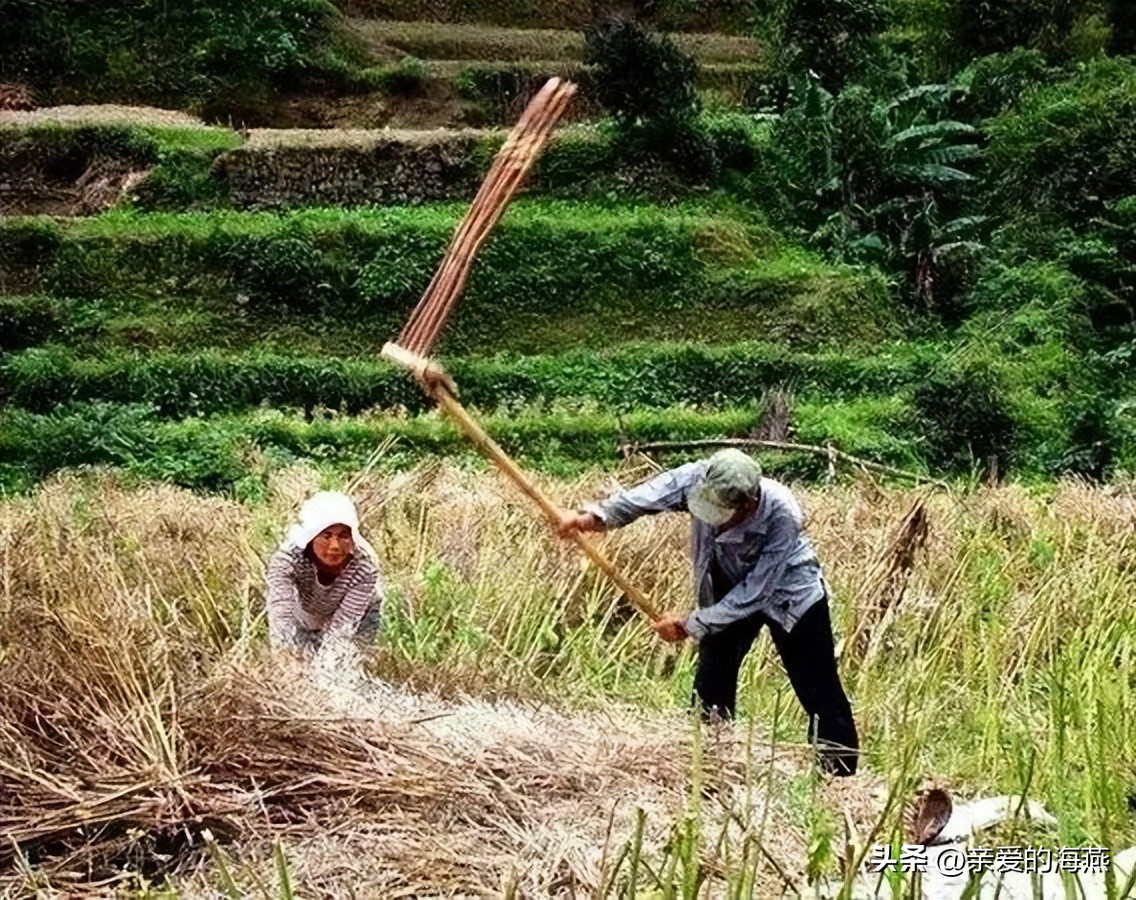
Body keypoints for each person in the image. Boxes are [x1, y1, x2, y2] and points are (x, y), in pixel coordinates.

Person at [556, 448, 859, 776]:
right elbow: (648, 496)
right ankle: (711, 760)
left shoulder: (780, 512)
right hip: (729, 584)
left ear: (746, 504)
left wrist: (689, 624)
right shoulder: (697, 479)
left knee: (817, 683)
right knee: (713, 674)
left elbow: (756, 592)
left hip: (790, 593)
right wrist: (595, 517)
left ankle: (838, 774)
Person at [265, 490, 384, 667]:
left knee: (342, 668)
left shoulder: (364, 569)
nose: (335, 546)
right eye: (326, 536)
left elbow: (342, 629)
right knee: (295, 667)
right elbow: (280, 613)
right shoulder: (288, 561)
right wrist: (284, 654)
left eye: (343, 536)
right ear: (312, 536)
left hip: (357, 617)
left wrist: (328, 666)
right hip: (305, 617)